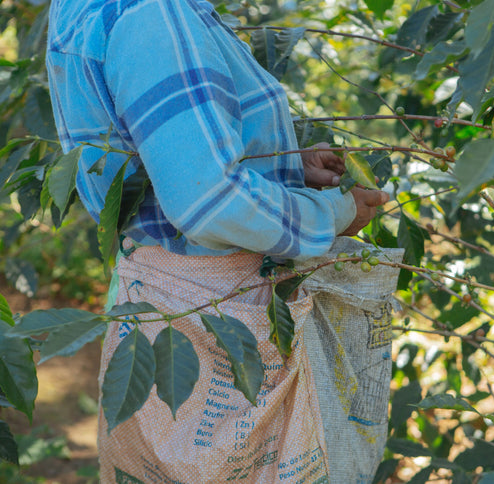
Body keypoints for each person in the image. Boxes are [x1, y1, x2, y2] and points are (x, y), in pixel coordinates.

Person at [46, 0, 389, 482]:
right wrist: (333, 214)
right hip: (223, 303)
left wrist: (283, 165)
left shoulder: (83, 8)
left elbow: (161, 148)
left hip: (152, 289)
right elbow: (209, 199)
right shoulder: (154, 14)